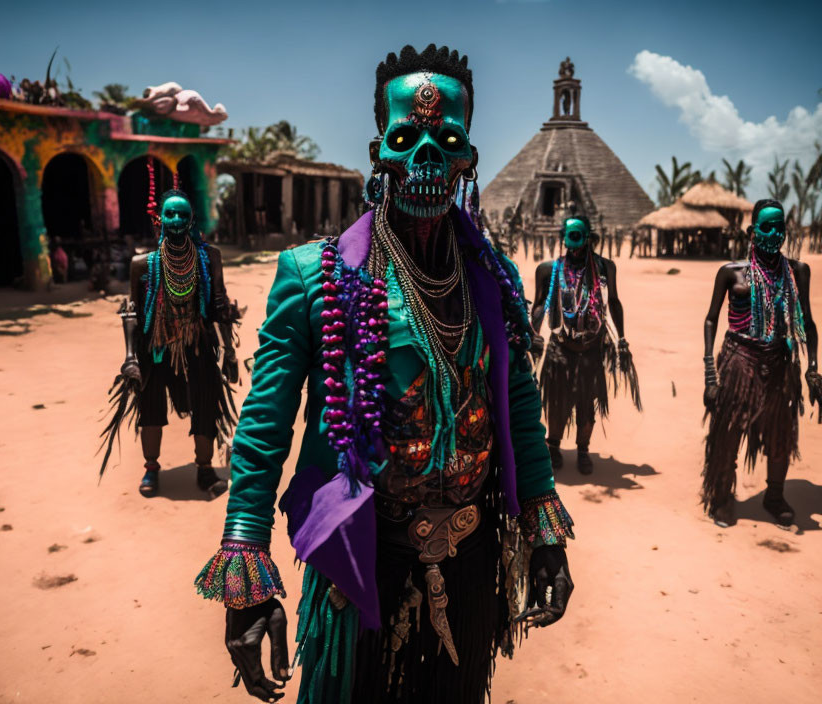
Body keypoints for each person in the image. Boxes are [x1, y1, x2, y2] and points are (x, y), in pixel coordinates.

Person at [196, 44, 574, 704]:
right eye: (407, 137)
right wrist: (246, 561)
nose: (427, 155)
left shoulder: (492, 275)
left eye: (447, 138)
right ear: (379, 152)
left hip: (468, 561)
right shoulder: (312, 276)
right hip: (361, 562)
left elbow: (518, 404)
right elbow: (262, 429)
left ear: (468, 159)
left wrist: (544, 532)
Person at [99, 189, 241, 496]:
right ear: (159, 219)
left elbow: (219, 305)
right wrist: (131, 358)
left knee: (205, 403)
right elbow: (133, 312)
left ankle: (204, 468)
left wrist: (229, 351)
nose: (176, 220)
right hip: (155, 346)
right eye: (170, 214)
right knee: (149, 404)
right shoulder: (142, 264)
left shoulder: (210, 258)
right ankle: (152, 468)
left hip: (198, 343)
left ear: (192, 221)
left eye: (183, 215)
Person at [702, 199, 820, 527]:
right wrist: (710, 374)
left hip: (780, 363)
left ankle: (774, 495)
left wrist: (812, 368)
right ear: (752, 232)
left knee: (781, 433)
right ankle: (722, 496)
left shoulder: (797, 271)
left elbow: (808, 322)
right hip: (738, 362)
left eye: (779, 227)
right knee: (727, 431)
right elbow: (711, 320)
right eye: (766, 227)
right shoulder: (731, 273)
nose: (774, 234)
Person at [531, 215, 641, 473]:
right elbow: (538, 305)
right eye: (569, 238)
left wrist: (622, 339)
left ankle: (583, 449)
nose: (573, 245)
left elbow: (613, 301)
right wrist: (533, 332)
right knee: (556, 403)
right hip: (560, 345)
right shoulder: (548, 270)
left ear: (589, 237)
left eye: (578, 238)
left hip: (592, 347)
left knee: (587, 404)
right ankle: (553, 446)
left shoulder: (605, 268)